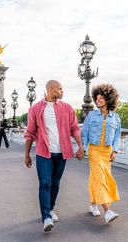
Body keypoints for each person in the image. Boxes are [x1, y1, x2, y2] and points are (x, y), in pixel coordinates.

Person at [24, 80, 84, 233]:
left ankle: (50, 209)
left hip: (62, 152)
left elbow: (75, 129)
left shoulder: (68, 108)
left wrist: (80, 147)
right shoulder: (35, 109)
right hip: (44, 152)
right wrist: (27, 155)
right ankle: (46, 218)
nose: (62, 91)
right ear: (50, 90)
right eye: (60, 89)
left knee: (55, 183)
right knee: (45, 183)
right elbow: (30, 132)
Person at [81, 83, 121, 224]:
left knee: (97, 178)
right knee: (100, 179)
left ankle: (93, 204)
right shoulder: (91, 115)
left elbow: (117, 136)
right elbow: (84, 133)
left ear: (108, 99)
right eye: (96, 98)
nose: (98, 101)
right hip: (94, 150)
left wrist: (114, 151)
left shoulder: (116, 118)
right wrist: (83, 149)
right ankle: (107, 211)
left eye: (101, 98)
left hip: (107, 152)